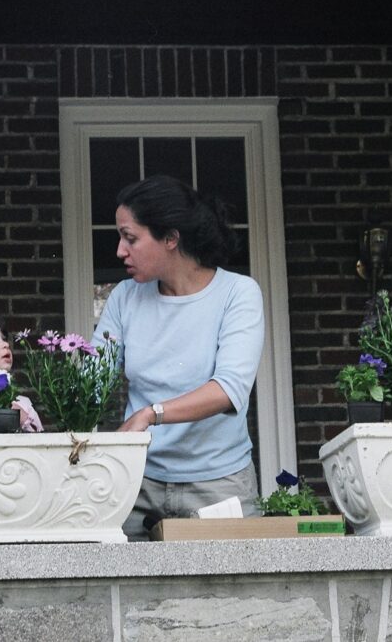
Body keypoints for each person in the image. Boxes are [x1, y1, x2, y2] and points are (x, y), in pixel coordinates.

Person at [91, 175, 265, 541]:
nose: (120, 250)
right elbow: (92, 380)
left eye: (131, 238)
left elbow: (228, 390)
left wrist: (150, 414)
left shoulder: (237, 294)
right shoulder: (124, 298)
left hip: (219, 484)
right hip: (136, 482)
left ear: (171, 238)